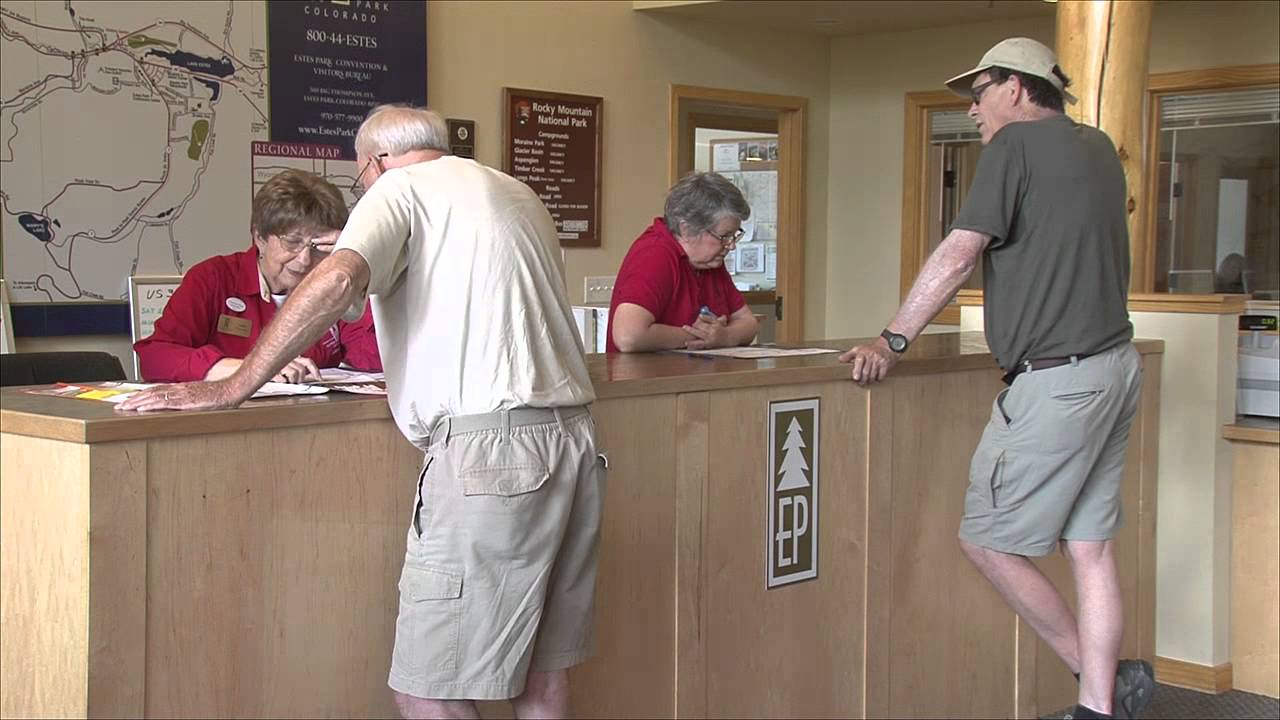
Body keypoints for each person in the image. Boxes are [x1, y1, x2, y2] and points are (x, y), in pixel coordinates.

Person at [120, 105, 604, 720]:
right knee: (541, 675)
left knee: (426, 686)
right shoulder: (514, 190)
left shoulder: (398, 187)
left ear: (372, 164)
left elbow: (341, 279)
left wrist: (233, 384)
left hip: (493, 457)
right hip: (573, 441)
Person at [838, 38, 1155, 720]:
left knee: (985, 540)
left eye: (979, 93)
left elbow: (960, 253)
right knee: (1089, 547)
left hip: (1060, 380)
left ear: (1016, 87)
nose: (974, 110)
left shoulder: (1012, 150)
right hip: (1116, 369)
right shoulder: (1097, 147)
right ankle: (1099, 706)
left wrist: (893, 340)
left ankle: (1100, 675)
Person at [134, 169, 381, 383]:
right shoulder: (213, 279)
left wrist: (355, 260)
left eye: (319, 247)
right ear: (259, 237)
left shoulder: (334, 282)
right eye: (292, 243)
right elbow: (156, 357)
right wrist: (253, 368)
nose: (305, 259)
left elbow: (376, 358)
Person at [607, 171, 759, 352]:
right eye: (724, 236)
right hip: (650, 378)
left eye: (734, 236)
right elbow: (628, 335)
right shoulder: (655, 254)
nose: (731, 245)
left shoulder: (710, 261)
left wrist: (724, 337)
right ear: (686, 229)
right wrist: (702, 337)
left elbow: (748, 322)